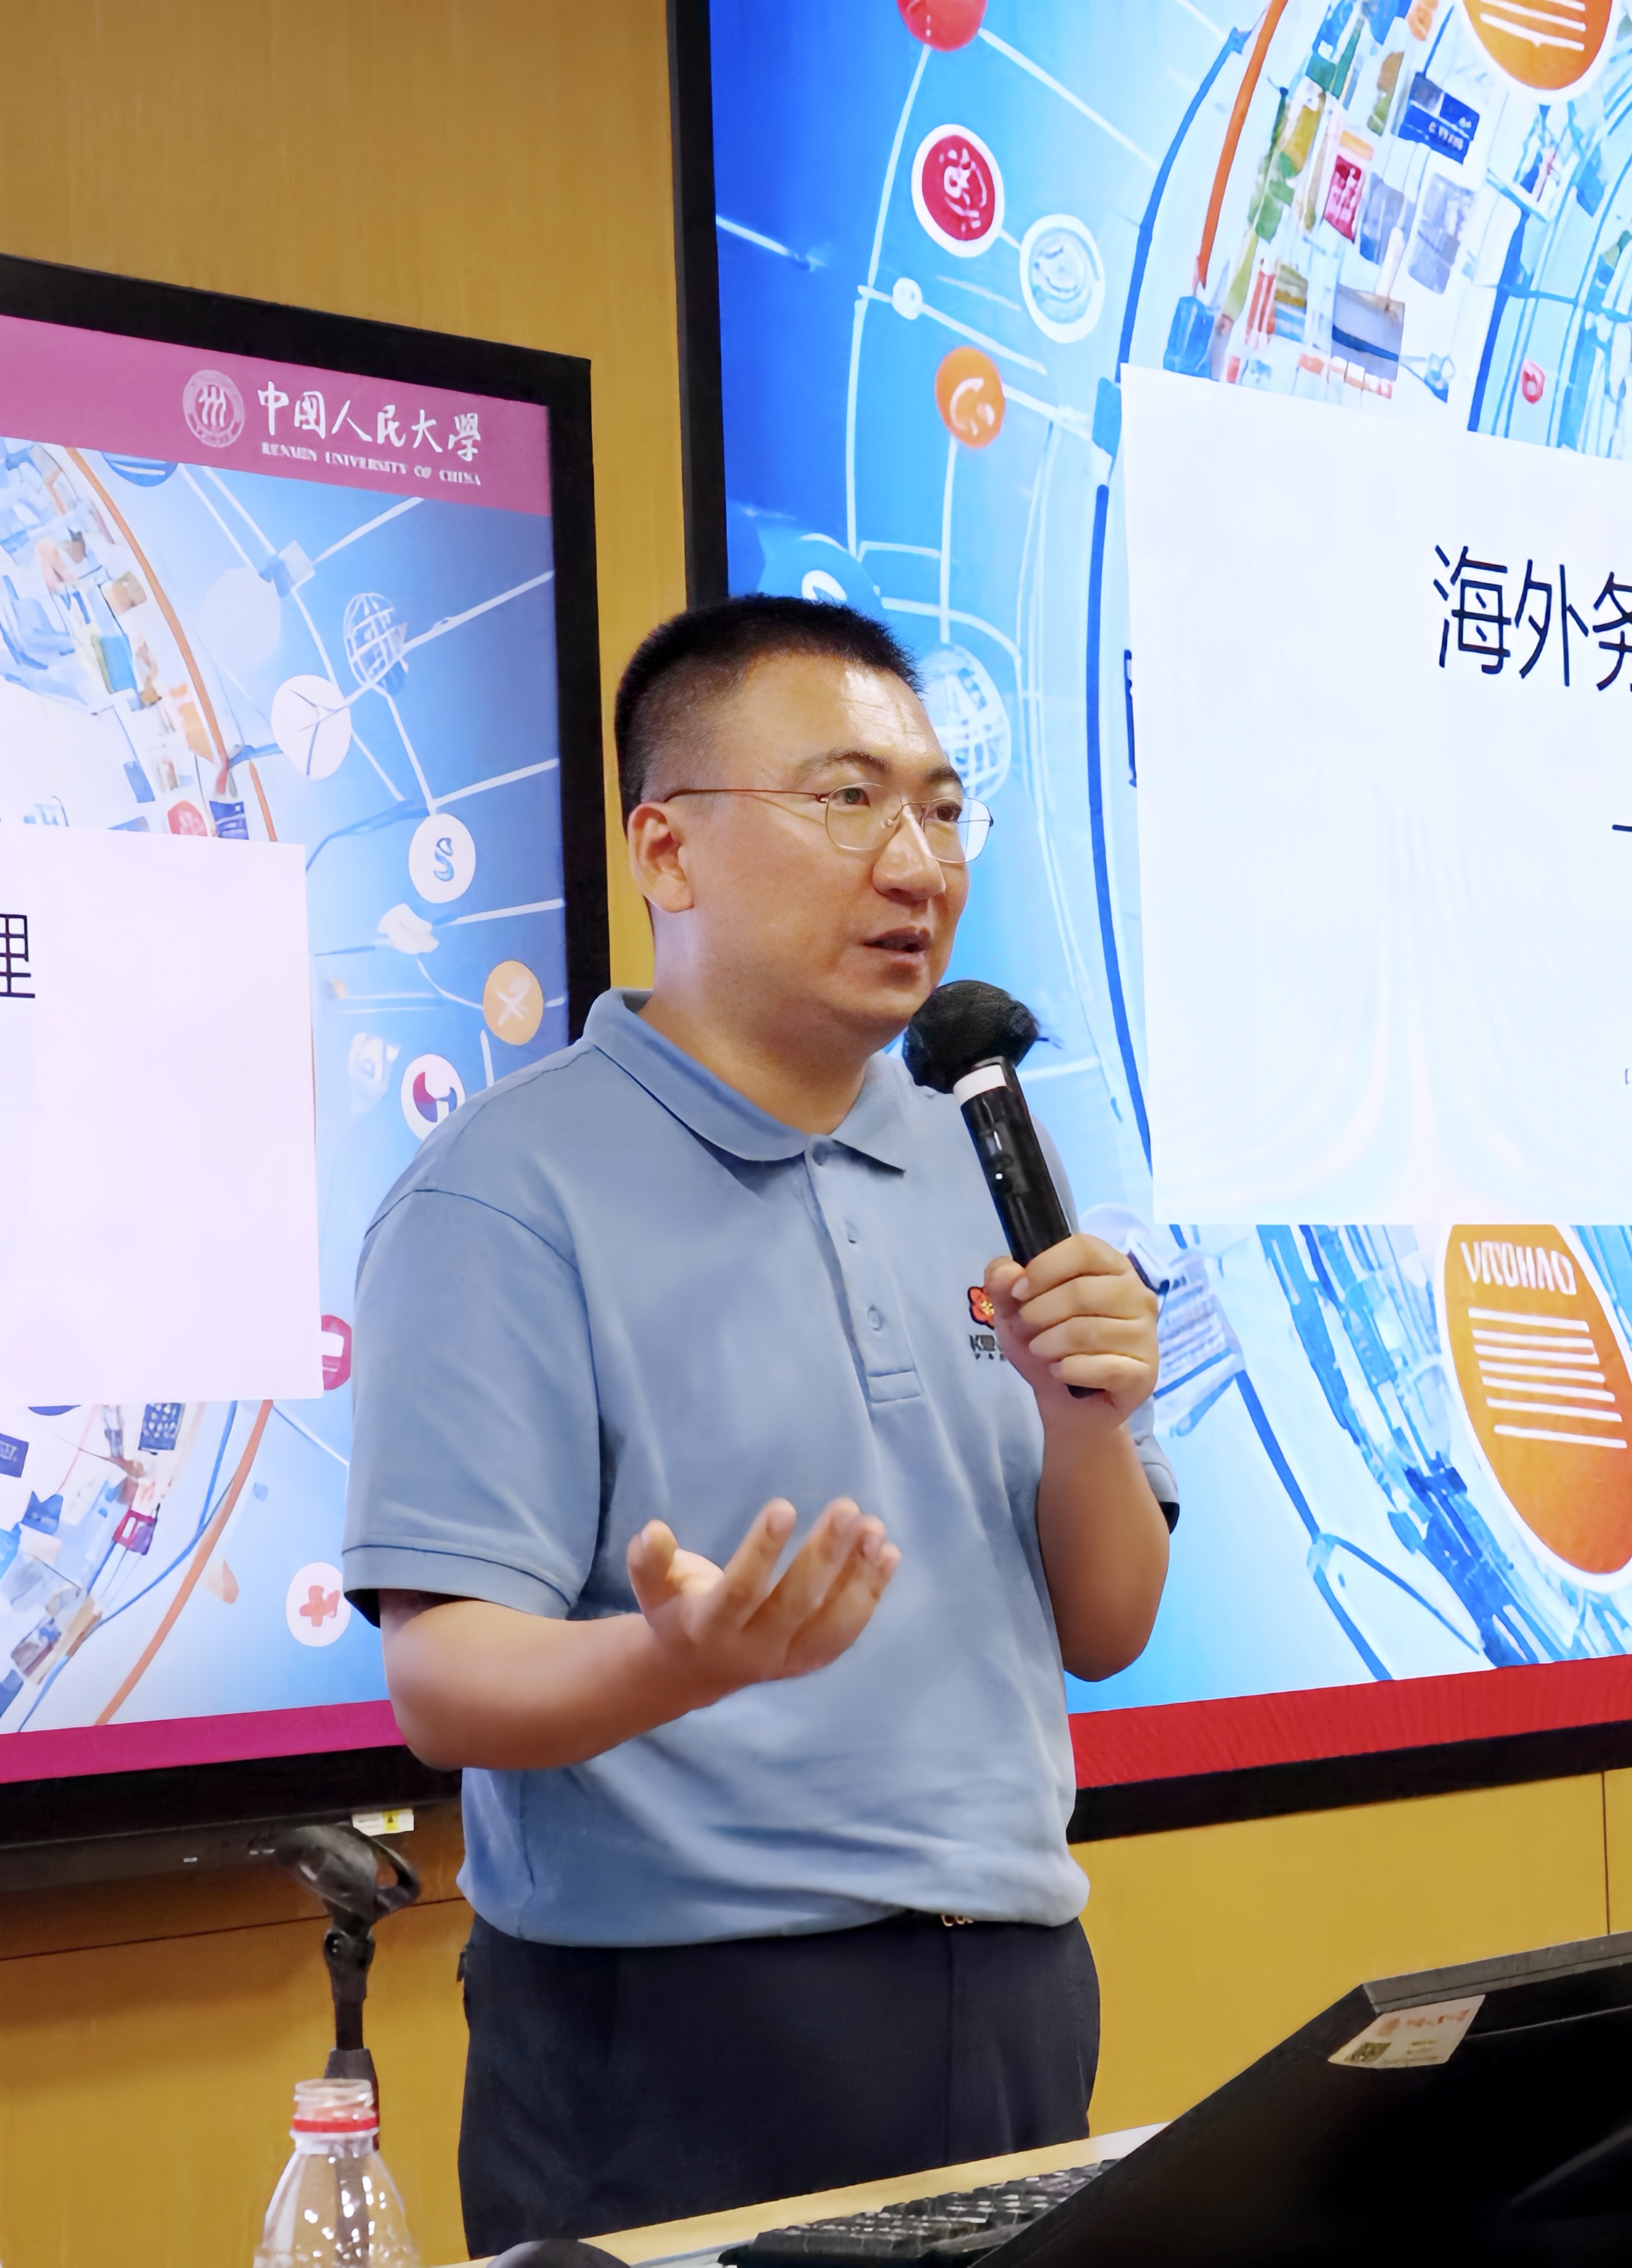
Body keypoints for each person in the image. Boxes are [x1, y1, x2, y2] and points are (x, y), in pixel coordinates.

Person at [340, 595, 1174, 2257]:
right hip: (670, 2029)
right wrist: (681, 1659)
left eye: (942, 806)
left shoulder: (985, 1154)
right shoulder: (504, 1190)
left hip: (1014, 1979)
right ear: (666, 849)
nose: (917, 863)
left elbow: (1105, 1624)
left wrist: (1087, 1422)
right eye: (847, 799)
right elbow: (442, 1680)